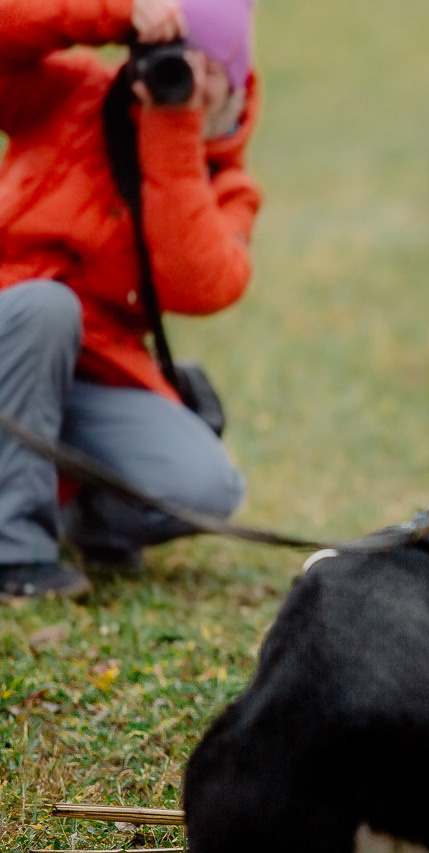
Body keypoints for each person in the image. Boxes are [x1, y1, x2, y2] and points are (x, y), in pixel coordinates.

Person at [0, 0, 260, 600]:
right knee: (47, 309)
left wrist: (173, 130)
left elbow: (198, 286)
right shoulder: (71, 92)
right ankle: (16, 557)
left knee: (207, 490)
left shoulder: (231, 186)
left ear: (236, 80)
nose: (179, 74)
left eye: (203, 69)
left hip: (97, 367)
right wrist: (112, 13)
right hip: (16, 325)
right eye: (170, 55)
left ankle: (66, 514)